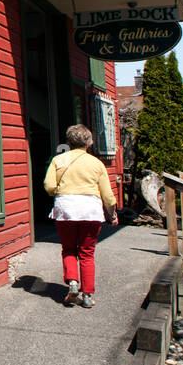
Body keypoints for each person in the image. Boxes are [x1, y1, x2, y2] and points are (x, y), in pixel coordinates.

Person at [43, 124, 116, 308]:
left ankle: (73, 283)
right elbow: (107, 195)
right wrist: (112, 214)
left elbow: (49, 186)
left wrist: (63, 191)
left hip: (65, 208)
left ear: (69, 142)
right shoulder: (96, 163)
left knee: (68, 249)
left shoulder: (58, 160)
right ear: (89, 142)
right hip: (90, 210)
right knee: (87, 253)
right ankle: (87, 295)